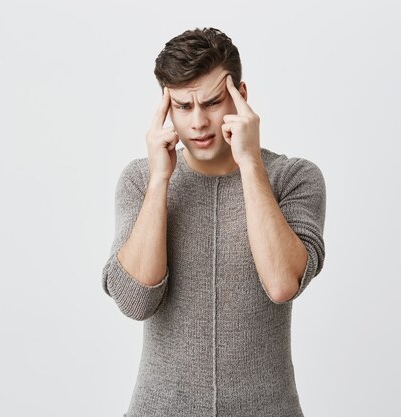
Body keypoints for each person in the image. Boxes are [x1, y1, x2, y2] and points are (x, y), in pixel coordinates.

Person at [102, 27, 326, 417]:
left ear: (242, 97)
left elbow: (281, 284)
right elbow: (136, 301)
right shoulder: (140, 180)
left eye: (212, 102)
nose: (199, 122)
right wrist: (159, 181)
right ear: (165, 107)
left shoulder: (294, 178)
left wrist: (251, 163)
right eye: (183, 107)